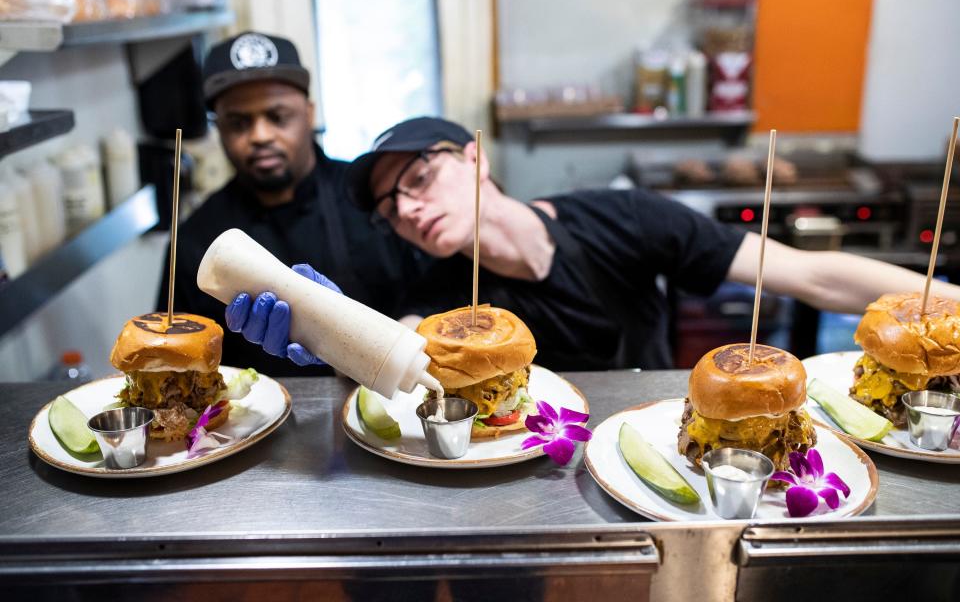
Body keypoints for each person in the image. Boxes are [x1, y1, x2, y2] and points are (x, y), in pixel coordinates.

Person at [228, 116, 960, 371]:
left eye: (419, 176)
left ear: (474, 157)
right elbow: (399, 350)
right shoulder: (442, 297)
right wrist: (325, 330)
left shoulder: (626, 219)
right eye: (389, 207)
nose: (408, 209)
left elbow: (810, 276)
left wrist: (950, 300)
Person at [156, 33, 428, 377]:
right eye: (238, 123)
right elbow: (177, 354)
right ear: (219, 130)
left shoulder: (376, 200)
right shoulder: (197, 237)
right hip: (255, 421)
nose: (260, 136)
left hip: (387, 403)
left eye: (278, 116)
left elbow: (434, 295)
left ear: (309, 114)